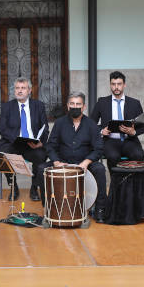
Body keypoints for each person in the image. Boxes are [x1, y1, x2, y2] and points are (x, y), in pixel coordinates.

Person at [46, 92, 108, 222]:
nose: (75, 107)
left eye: (78, 104)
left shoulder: (91, 125)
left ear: (84, 107)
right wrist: (56, 161)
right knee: (42, 168)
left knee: (100, 169)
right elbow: (51, 145)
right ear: (68, 106)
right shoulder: (59, 123)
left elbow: (98, 148)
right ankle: (49, 208)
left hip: (85, 163)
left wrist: (86, 162)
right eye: (72, 104)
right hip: (63, 163)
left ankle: (100, 209)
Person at [0, 78, 49, 202]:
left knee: (41, 155)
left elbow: (45, 128)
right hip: (12, 142)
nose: (19, 91)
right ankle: (13, 187)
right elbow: (2, 129)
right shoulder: (7, 106)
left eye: (23, 88)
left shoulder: (39, 105)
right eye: (17, 88)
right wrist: (18, 139)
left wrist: (40, 141)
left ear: (29, 90)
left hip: (32, 144)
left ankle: (34, 188)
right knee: (3, 155)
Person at [90, 71, 144, 169]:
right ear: (110, 85)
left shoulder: (135, 103)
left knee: (138, 155)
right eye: (113, 84)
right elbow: (91, 123)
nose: (116, 87)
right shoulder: (102, 102)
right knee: (113, 157)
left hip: (130, 140)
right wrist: (101, 131)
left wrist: (133, 132)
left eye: (119, 84)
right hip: (110, 141)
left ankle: (131, 183)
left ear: (124, 85)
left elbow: (143, 128)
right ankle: (117, 183)